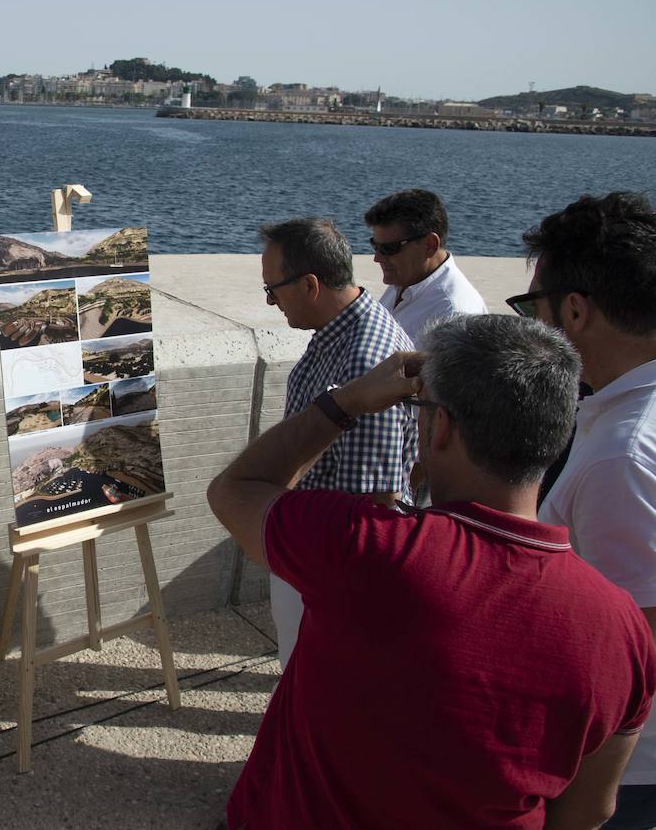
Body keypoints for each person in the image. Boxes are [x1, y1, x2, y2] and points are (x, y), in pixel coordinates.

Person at [208, 314, 656, 829]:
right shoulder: (623, 630)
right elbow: (591, 809)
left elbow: (236, 489)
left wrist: (348, 400)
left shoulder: (363, 549)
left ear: (440, 427)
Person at [513, 191, 656, 829]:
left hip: (623, 772)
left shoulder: (618, 460)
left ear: (574, 310)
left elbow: (637, 649)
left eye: (531, 308)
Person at [258, 217, 416, 664]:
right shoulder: (342, 332)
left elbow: (372, 508)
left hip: (323, 572)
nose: (271, 301)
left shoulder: (364, 358)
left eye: (273, 289)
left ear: (310, 285)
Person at [364, 187, 487, 343]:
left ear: (430, 245)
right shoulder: (405, 279)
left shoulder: (454, 315)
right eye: (375, 246)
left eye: (389, 248)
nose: (377, 258)